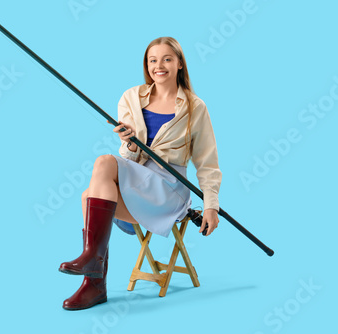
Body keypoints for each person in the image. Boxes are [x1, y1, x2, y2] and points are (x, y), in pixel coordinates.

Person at [58, 36, 222, 311]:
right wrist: (130, 142)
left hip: (169, 189)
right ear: (146, 65)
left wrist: (211, 206)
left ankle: (93, 272)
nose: (160, 66)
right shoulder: (131, 97)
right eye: (153, 60)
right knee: (91, 192)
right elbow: (128, 157)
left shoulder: (196, 107)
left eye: (167, 59)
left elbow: (207, 162)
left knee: (102, 165)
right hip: (138, 176)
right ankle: (94, 281)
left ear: (180, 63)